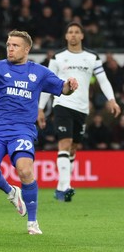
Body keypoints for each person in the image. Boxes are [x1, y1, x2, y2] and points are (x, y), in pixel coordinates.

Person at [0, 30, 79, 235]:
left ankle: (32, 223)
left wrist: (70, 85)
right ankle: (11, 192)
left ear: (27, 49)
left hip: (22, 130)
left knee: (25, 170)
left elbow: (62, 89)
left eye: (15, 45)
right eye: (9, 44)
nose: (10, 48)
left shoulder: (39, 72)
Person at [37, 22, 121, 202]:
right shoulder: (58, 57)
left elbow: (103, 80)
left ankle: (61, 187)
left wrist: (111, 99)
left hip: (82, 108)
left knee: (74, 148)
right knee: (65, 144)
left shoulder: (92, 57)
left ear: (82, 36)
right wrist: (40, 108)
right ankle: (66, 187)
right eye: (70, 32)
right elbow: (47, 84)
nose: (73, 35)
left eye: (76, 32)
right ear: (66, 36)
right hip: (62, 104)